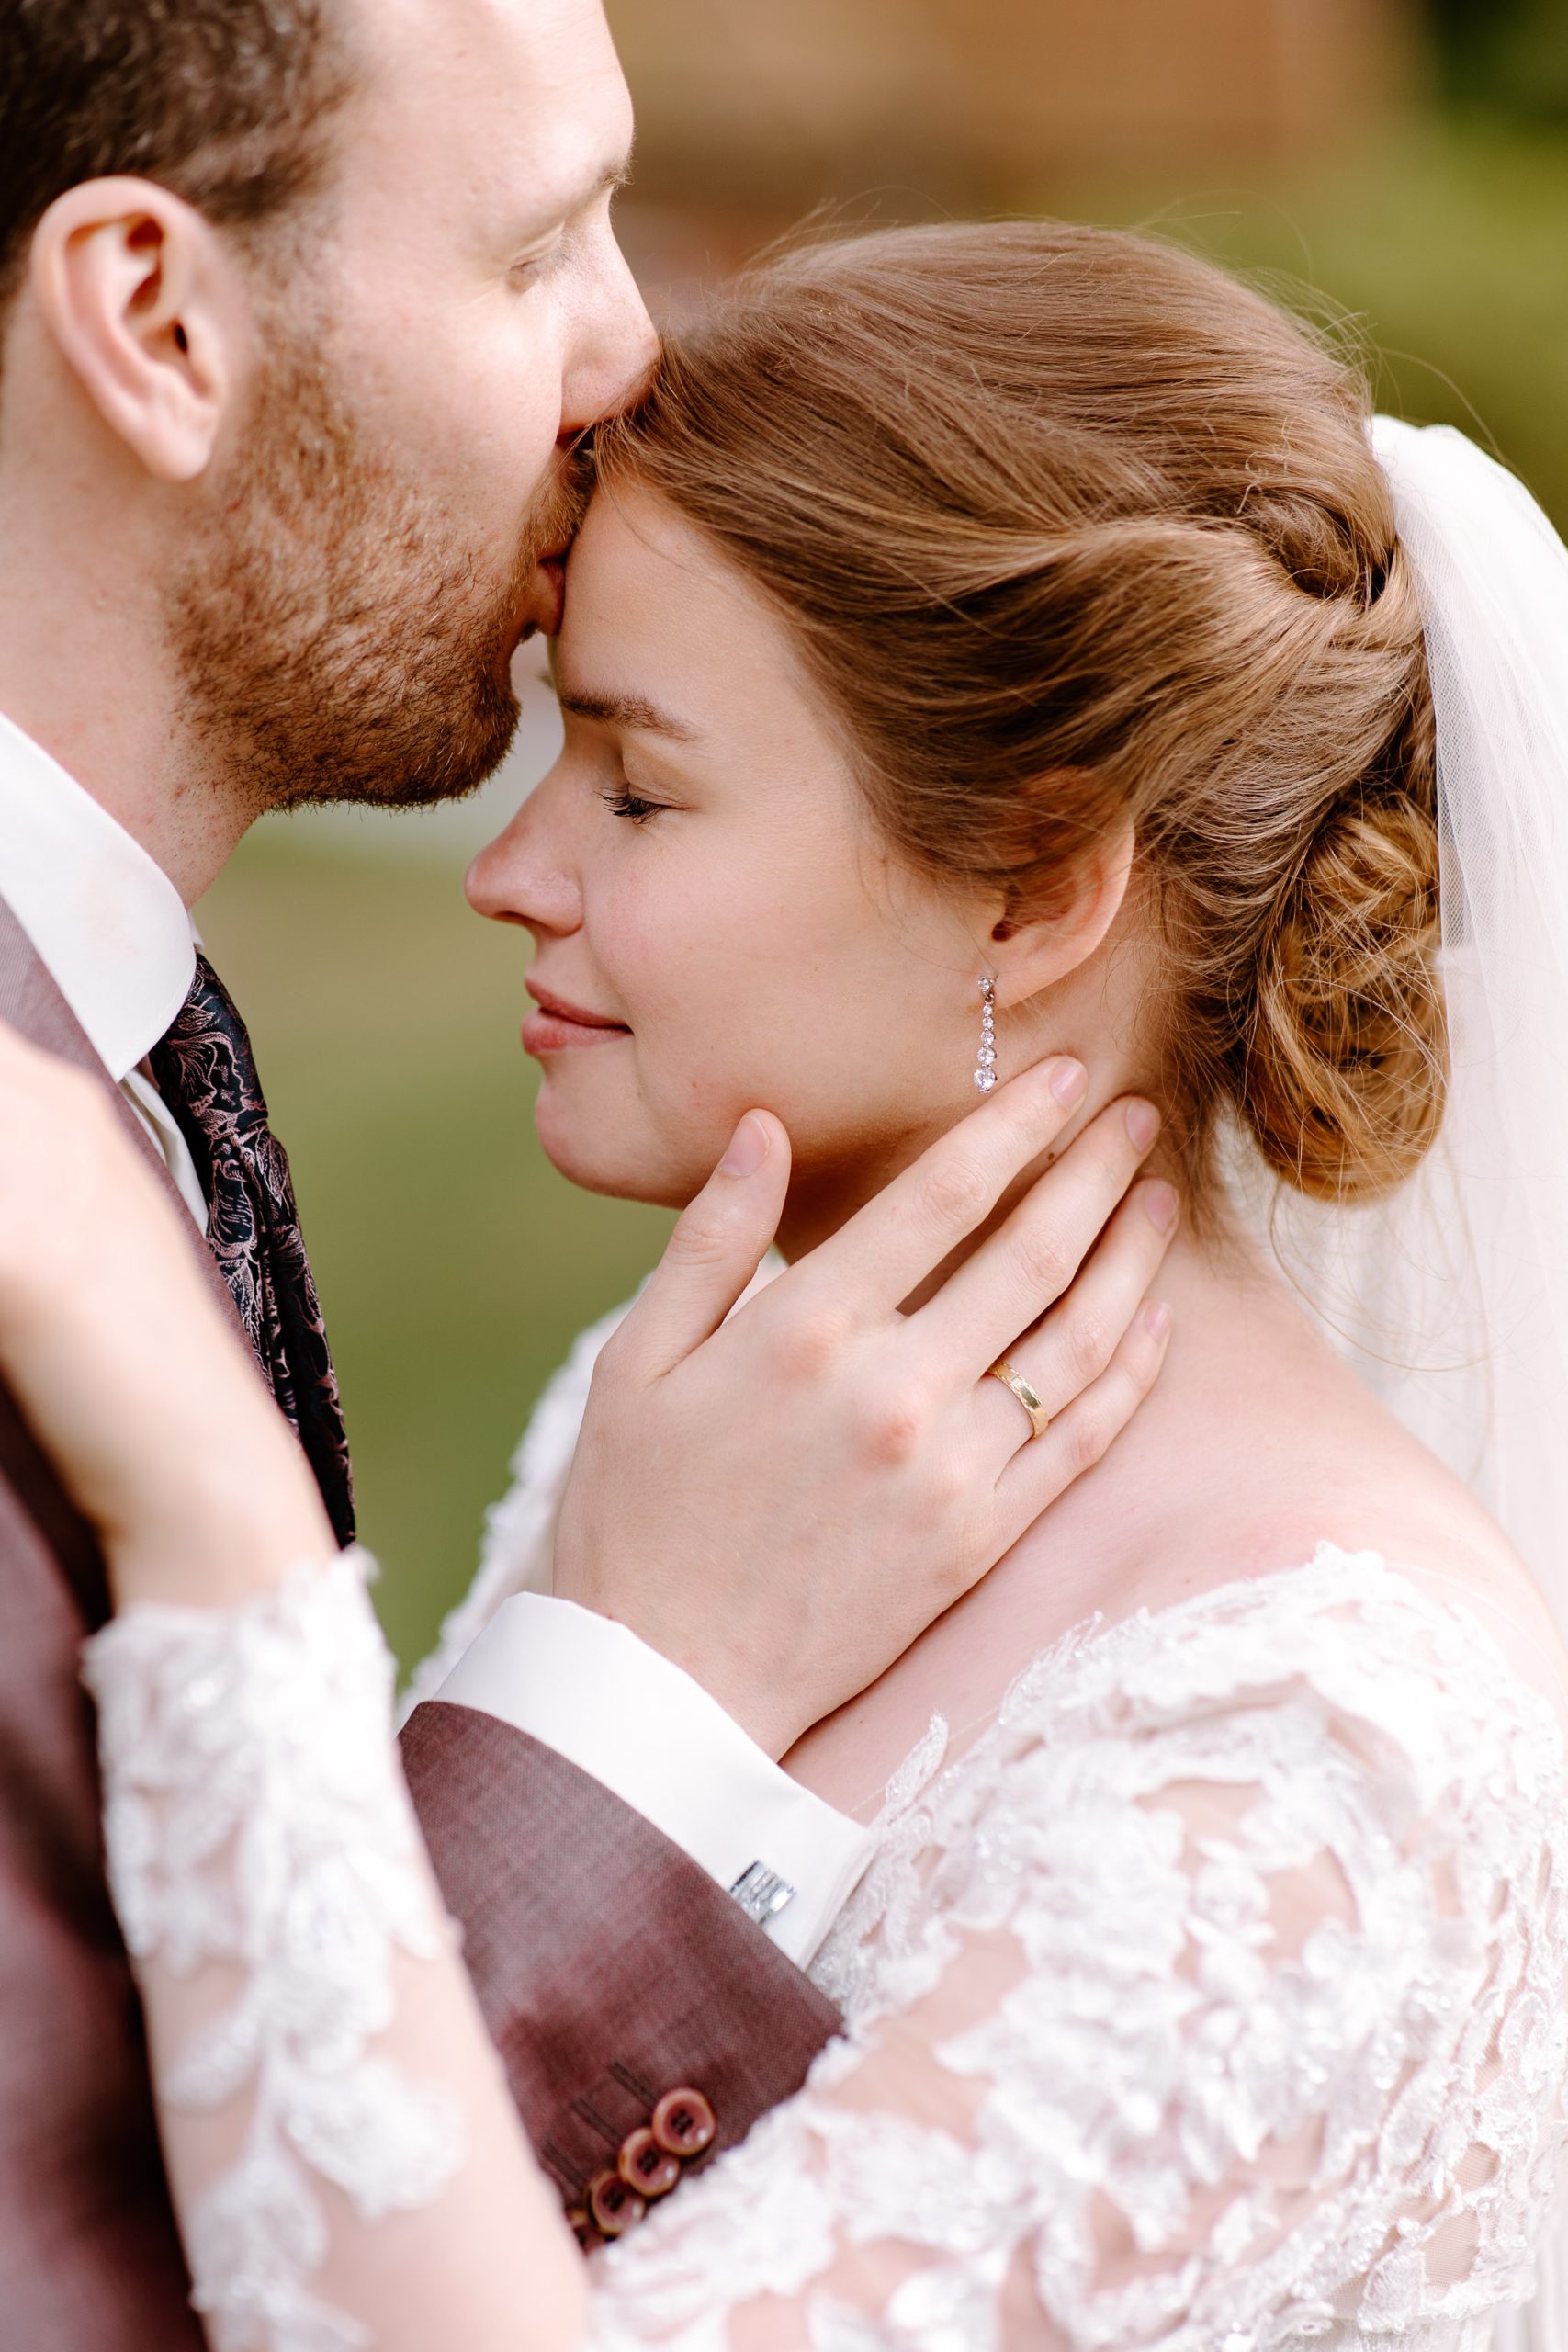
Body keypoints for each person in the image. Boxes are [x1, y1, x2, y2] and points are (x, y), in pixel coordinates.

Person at [5, 217, 1567, 2348]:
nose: (510, 869)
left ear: (1033, 879)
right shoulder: (693, 1414)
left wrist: (223, 1537)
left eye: (640, 784)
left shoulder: (1313, 1734)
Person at [0, 6, 1182, 2345]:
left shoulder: (106, 1037)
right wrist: (641, 1690)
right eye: (541, 244)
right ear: (153, 323)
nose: (636, 352)